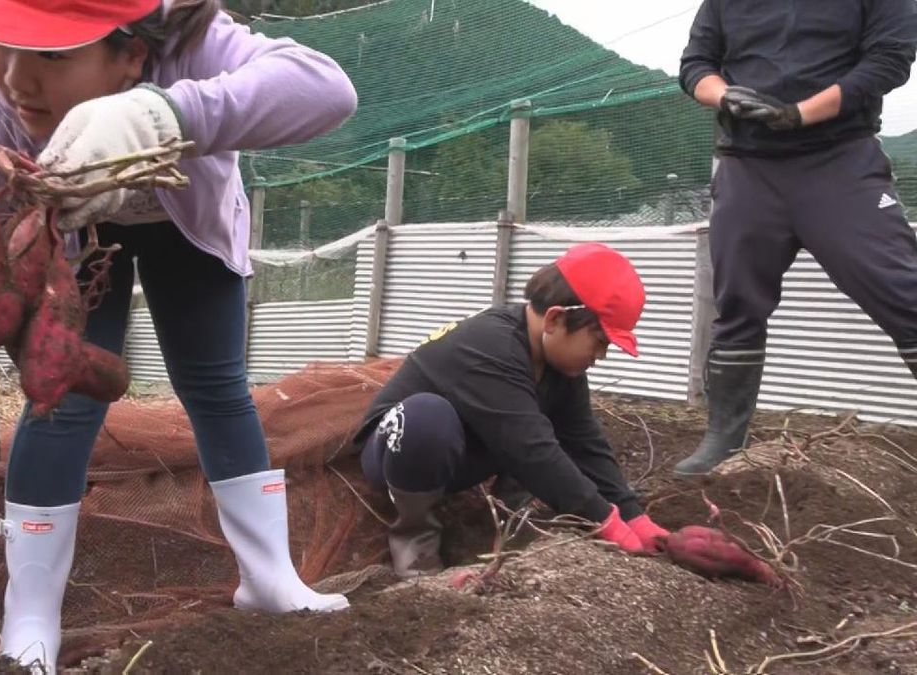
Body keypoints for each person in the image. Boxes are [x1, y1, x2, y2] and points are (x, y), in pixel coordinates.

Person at [0, 0, 358, 670]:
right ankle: (31, 610)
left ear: (131, 55)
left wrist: (163, 114)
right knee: (63, 400)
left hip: (184, 223)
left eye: (50, 54)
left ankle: (270, 577)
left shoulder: (193, 46)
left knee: (215, 386)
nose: (16, 78)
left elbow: (326, 89)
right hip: (72, 241)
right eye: (1, 43)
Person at [675, 1, 917, 475]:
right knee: (738, 302)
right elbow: (696, 64)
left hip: (841, 160)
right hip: (748, 165)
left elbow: (888, 62)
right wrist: (725, 96)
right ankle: (725, 437)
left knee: (902, 289)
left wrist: (800, 114)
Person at [353, 243, 670, 579]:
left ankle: (505, 520)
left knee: (532, 424)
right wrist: (607, 523)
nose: (601, 356)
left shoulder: (558, 366)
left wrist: (633, 514)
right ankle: (415, 543)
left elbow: (585, 443)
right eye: (601, 342)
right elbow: (531, 451)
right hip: (397, 446)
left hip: (465, 448)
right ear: (556, 319)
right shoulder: (491, 346)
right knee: (431, 417)